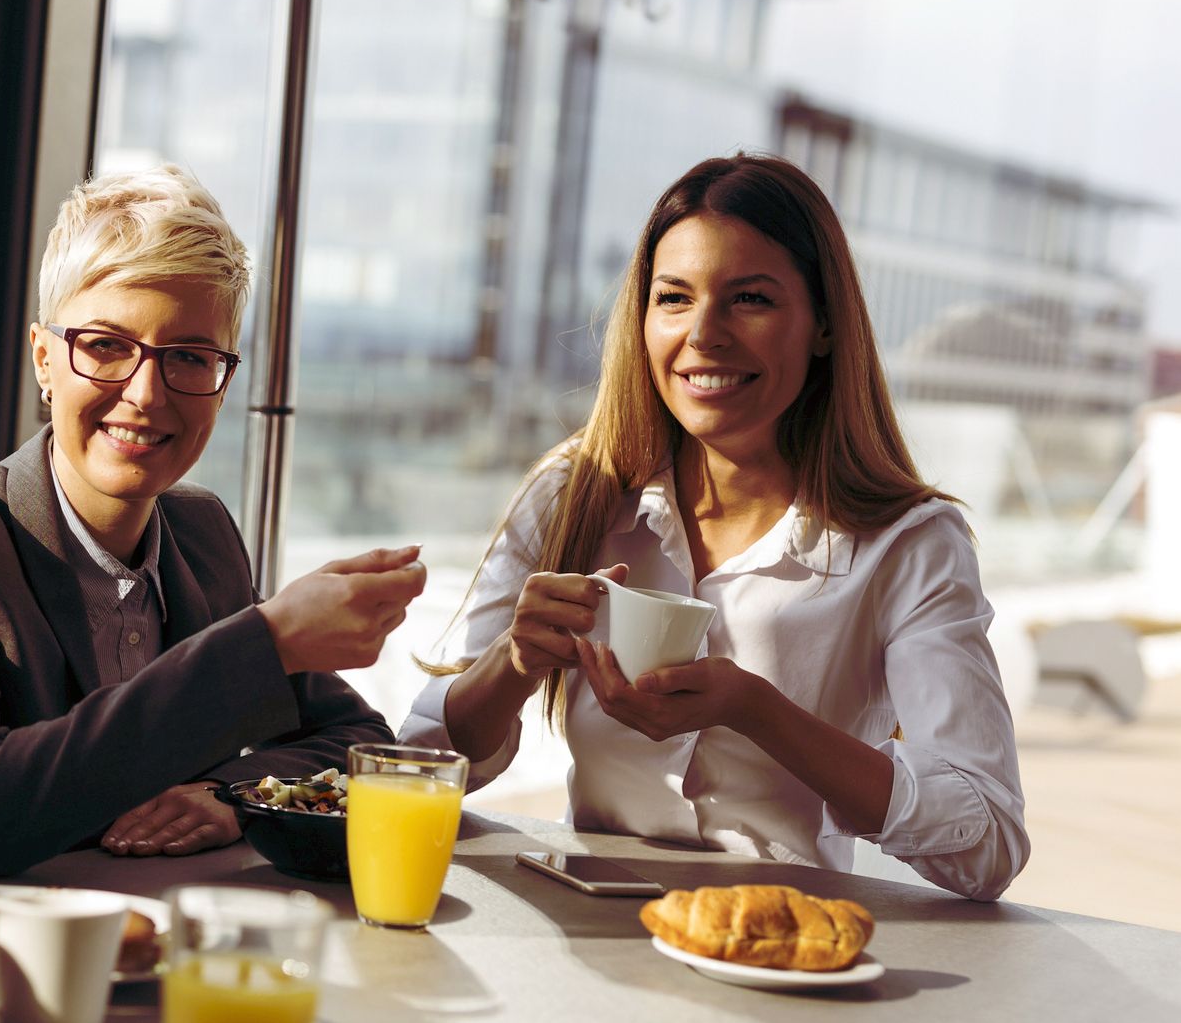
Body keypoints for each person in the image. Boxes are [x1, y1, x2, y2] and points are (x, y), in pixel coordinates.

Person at [404, 154, 1028, 902]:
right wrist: (510, 663)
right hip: (589, 943)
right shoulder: (573, 495)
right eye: (673, 298)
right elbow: (416, 769)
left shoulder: (910, 543)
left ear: (824, 324)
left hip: (783, 952)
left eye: (749, 299)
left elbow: (986, 842)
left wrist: (756, 711)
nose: (703, 335)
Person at [0, 165, 425, 875]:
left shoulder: (201, 536)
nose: (145, 393)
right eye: (105, 346)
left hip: (114, 947)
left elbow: (357, 739)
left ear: (223, 382)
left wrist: (226, 795)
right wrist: (265, 641)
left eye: (188, 357)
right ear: (44, 358)